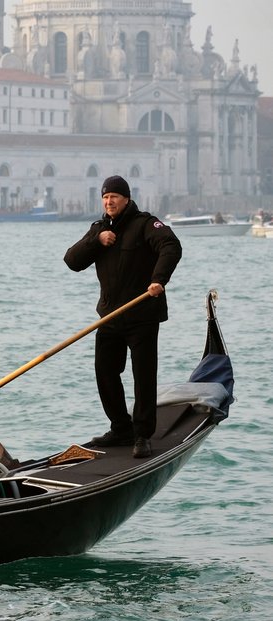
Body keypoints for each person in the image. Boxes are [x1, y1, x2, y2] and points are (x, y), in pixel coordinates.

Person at [64, 175, 182, 458]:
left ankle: (142, 435)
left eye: (114, 197)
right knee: (105, 372)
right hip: (110, 318)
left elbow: (171, 247)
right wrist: (96, 240)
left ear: (126, 199)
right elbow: (72, 261)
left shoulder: (145, 224)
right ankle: (121, 428)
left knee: (143, 376)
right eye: (105, 198)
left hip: (143, 314)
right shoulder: (99, 229)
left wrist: (159, 279)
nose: (109, 201)